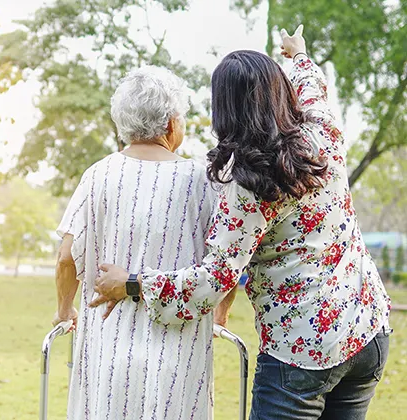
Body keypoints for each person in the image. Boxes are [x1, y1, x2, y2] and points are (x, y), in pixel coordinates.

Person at [90, 25, 392, 420]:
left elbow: (213, 281)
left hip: (300, 353)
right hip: (365, 328)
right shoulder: (324, 134)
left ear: (226, 111)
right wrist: (297, 54)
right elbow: (314, 86)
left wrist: (130, 284)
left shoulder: (247, 185)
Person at [53, 65, 235, 419]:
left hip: (107, 355)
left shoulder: (97, 175)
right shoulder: (203, 181)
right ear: (170, 124)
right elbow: (226, 262)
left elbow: (65, 258)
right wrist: (220, 315)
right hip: (179, 356)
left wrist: (64, 309)